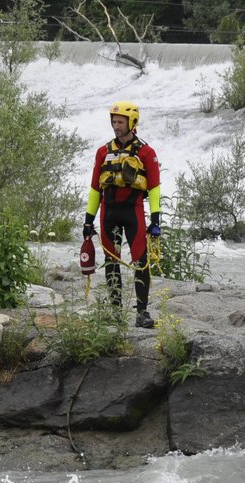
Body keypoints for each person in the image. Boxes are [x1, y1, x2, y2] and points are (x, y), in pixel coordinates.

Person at [84, 100, 162, 329]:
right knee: (111, 261)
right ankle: (116, 312)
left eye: (120, 122)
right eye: (114, 121)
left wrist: (156, 220)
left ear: (132, 122)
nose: (116, 126)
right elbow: (94, 188)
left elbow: (155, 187)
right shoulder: (102, 152)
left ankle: (142, 312)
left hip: (133, 212)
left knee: (141, 259)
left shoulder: (146, 152)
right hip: (108, 213)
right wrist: (88, 220)